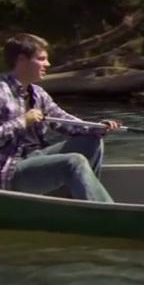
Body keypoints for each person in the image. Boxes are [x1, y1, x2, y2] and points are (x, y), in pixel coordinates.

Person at [0, 33, 119, 202]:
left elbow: (64, 120)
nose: (47, 64)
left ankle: (80, 201)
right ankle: (106, 214)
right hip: (9, 171)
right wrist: (23, 121)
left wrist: (97, 127)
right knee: (74, 162)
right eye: (41, 59)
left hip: (36, 158)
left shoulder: (38, 94)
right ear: (21, 60)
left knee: (92, 139)